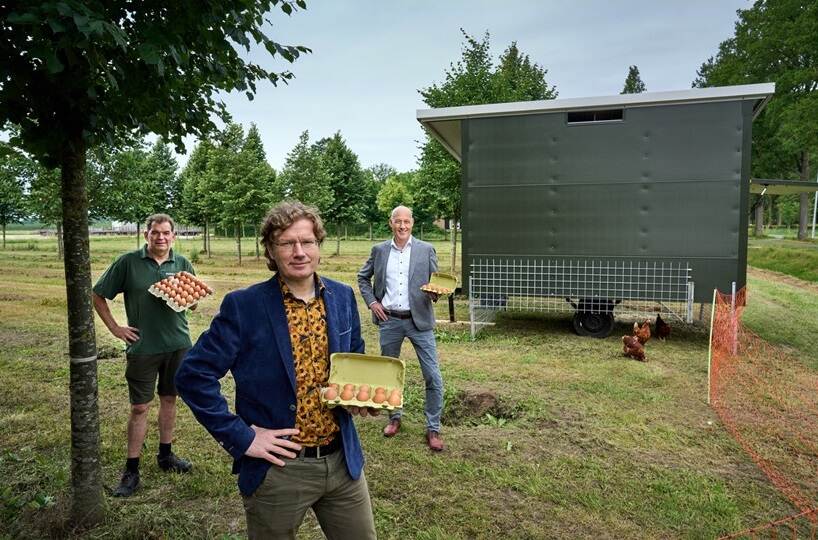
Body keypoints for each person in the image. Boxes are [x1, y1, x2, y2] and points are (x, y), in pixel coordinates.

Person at [175, 201, 377, 540]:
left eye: (307, 242)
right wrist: (243, 437)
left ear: (318, 245)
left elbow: (353, 355)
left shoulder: (342, 297)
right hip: (280, 468)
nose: (299, 252)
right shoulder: (245, 306)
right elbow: (192, 376)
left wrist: (357, 395)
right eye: (287, 243)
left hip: (343, 461)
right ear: (271, 249)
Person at [92, 213, 194, 498]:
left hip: (177, 343)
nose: (161, 237)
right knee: (139, 407)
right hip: (143, 347)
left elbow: (191, 302)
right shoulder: (129, 262)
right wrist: (115, 329)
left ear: (174, 236)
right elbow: (98, 294)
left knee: (170, 399)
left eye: (166, 233)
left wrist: (186, 297)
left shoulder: (182, 263)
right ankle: (131, 469)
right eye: (155, 233)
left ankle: (166, 455)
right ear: (146, 235)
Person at [357, 205, 445, 452]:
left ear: (413, 223)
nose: (403, 226)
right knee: (389, 373)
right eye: (398, 222)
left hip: (419, 321)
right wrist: (372, 302)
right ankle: (394, 417)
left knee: (433, 375)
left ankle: (433, 427)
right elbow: (362, 278)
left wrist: (435, 293)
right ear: (391, 223)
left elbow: (435, 283)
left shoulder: (426, 250)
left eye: (407, 221)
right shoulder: (380, 251)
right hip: (390, 320)